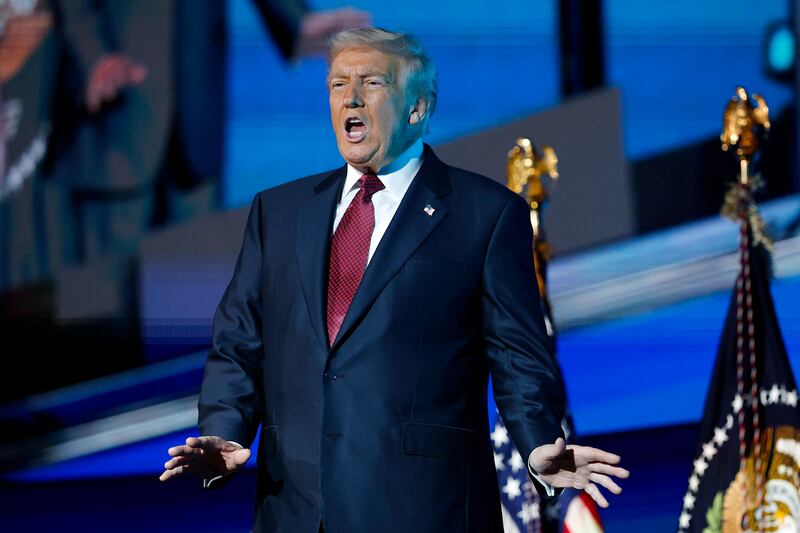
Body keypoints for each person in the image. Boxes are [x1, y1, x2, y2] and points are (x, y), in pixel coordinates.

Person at [160, 28, 629, 532]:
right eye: (338, 84)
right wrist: (226, 430)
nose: (350, 99)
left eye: (372, 83)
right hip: (294, 511)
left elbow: (518, 357)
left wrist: (538, 446)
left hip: (424, 511)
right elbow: (239, 343)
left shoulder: (485, 215)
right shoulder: (279, 212)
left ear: (418, 109)